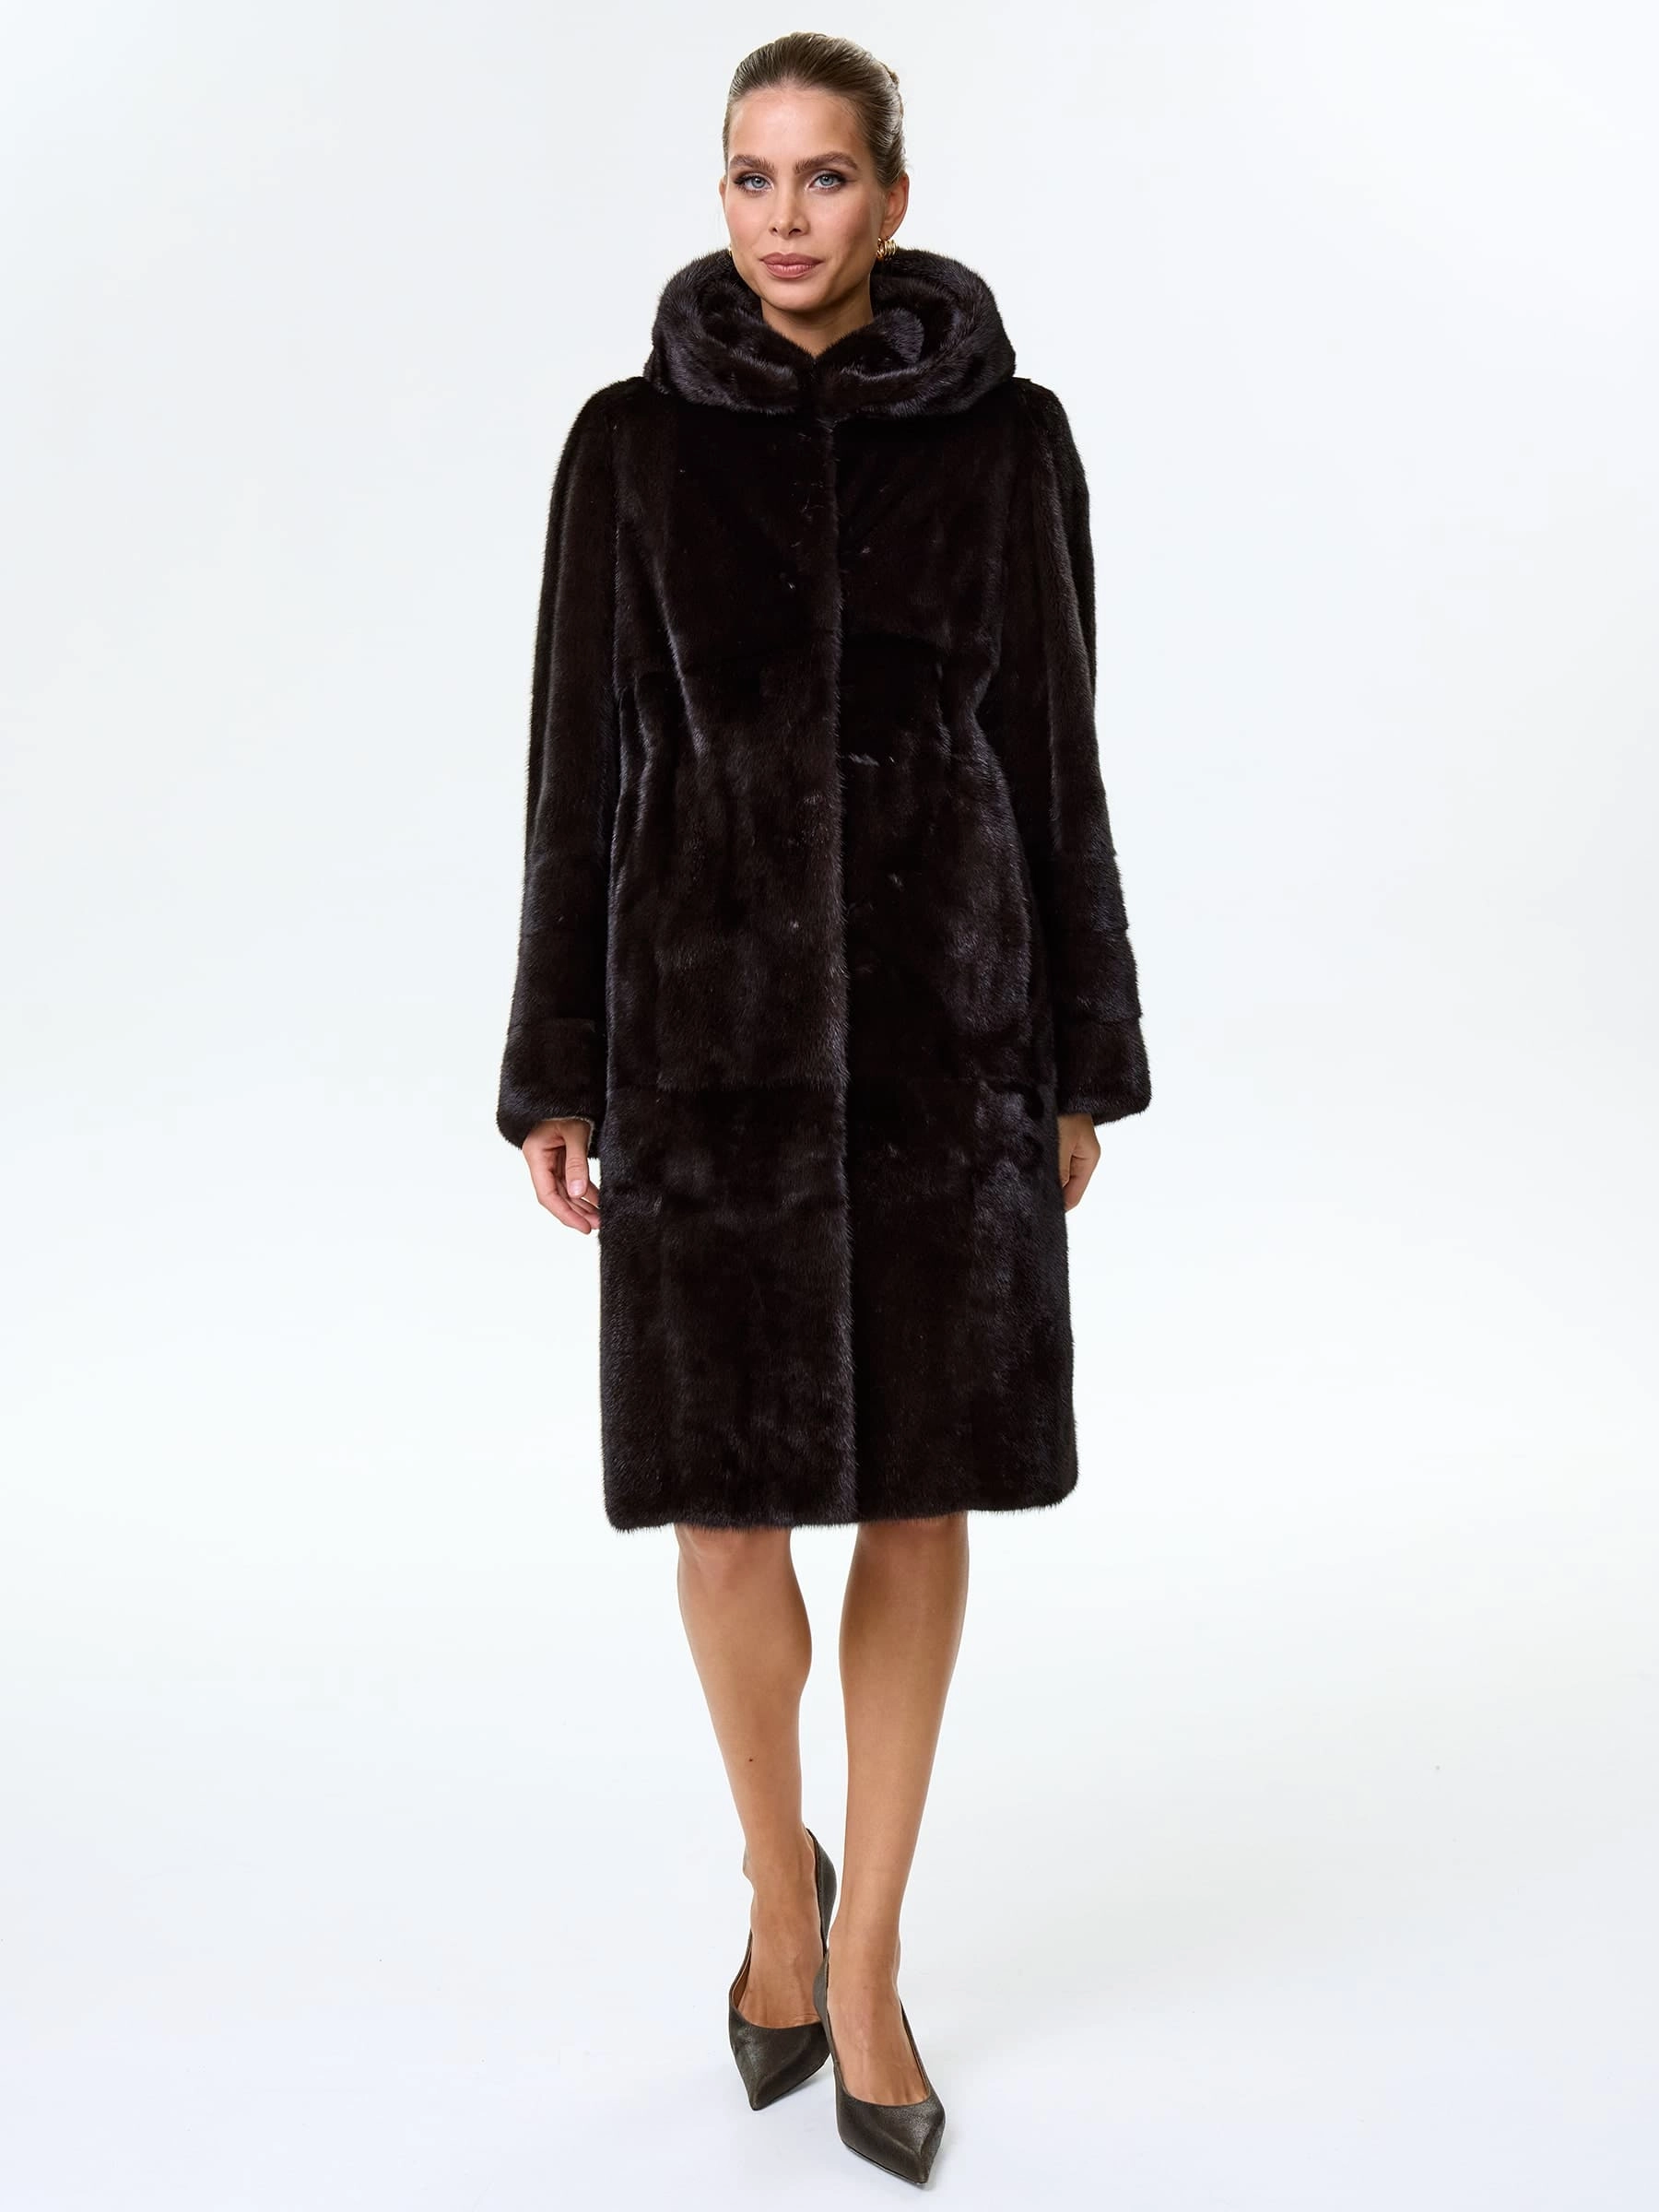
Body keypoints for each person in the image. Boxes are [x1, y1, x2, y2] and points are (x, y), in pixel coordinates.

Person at [495, 31, 1152, 2186]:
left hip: (956, 1044)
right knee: (724, 1510)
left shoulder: (1011, 443)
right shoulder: (627, 450)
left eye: (826, 175)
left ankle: (861, 1960)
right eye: (752, 176)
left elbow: (1057, 755)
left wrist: (1082, 1053)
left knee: (924, 1493)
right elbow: (576, 774)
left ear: (892, 197)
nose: (787, 214)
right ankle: (776, 1887)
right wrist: (557, 1063)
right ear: (721, 197)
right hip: (705, 1047)